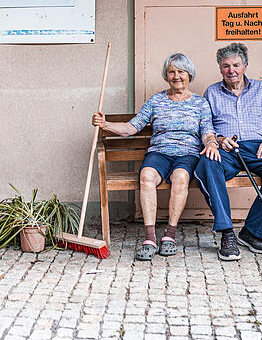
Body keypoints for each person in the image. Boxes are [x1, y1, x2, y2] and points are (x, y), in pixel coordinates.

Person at [92, 53, 220, 261]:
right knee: (147, 176)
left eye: (181, 72)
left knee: (180, 178)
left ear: (189, 75)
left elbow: (206, 131)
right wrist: (105, 124)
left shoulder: (200, 103)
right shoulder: (156, 101)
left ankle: (169, 235)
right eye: (171, 72)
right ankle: (150, 237)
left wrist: (211, 142)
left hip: (186, 154)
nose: (176, 76)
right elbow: (130, 128)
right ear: (166, 75)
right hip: (159, 153)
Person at [196, 43, 262, 261]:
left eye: (236, 65)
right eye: (225, 66)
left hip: (259, 148)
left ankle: (253, 231)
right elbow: (206, 126)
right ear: (219, 68)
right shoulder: (212, 93)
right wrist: (218, 140)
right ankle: (227, 233)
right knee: (206, 164)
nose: (231, 70)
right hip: (227, 149)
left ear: (245, 66)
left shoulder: (261, 90)